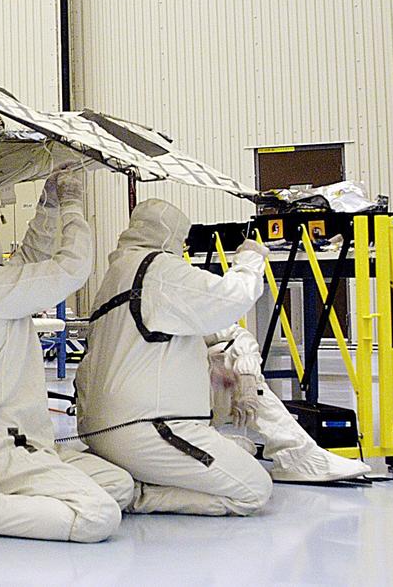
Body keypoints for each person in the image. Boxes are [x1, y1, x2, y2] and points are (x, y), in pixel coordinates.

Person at [0, 171, 134, 543]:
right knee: (99, 515)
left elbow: (30, 258)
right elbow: (71, 269)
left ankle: (3, 497)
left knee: (118, 484)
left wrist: (48, 205)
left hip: (19, 443)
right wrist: (71, 207)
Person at [75, 198, 275, 516]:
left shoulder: (119, 273)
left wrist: (204, 368)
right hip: (150, 430)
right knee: (254, 490)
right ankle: (140, 496)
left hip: (104, 430)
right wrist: (250, 260)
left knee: (243, 448)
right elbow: (230, 299)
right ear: (171, 235)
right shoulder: (157, 269)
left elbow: (143, 345)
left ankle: (138, 479)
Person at [207, 325, 368, 482]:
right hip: (185, 421)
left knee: (227, 355)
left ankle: (295, 455)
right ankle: (221, 447)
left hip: (200, 405)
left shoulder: (188, 316)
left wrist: (246, 376)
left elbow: (238, 334)